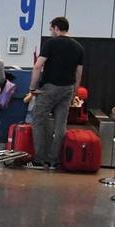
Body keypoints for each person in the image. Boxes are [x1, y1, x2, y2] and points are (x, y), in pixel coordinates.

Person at [26, 17, 84, 170]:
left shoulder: (51, 43)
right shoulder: (78, 47)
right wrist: (74, 94)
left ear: (57, 28)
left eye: (51, 29)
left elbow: (38, 66)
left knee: (38, 120)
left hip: (50, 87)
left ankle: (39, 159)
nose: (51, 32)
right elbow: (79, 74)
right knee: (61, 125)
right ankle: (54, 160)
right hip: (68, 88)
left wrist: (32, 88)